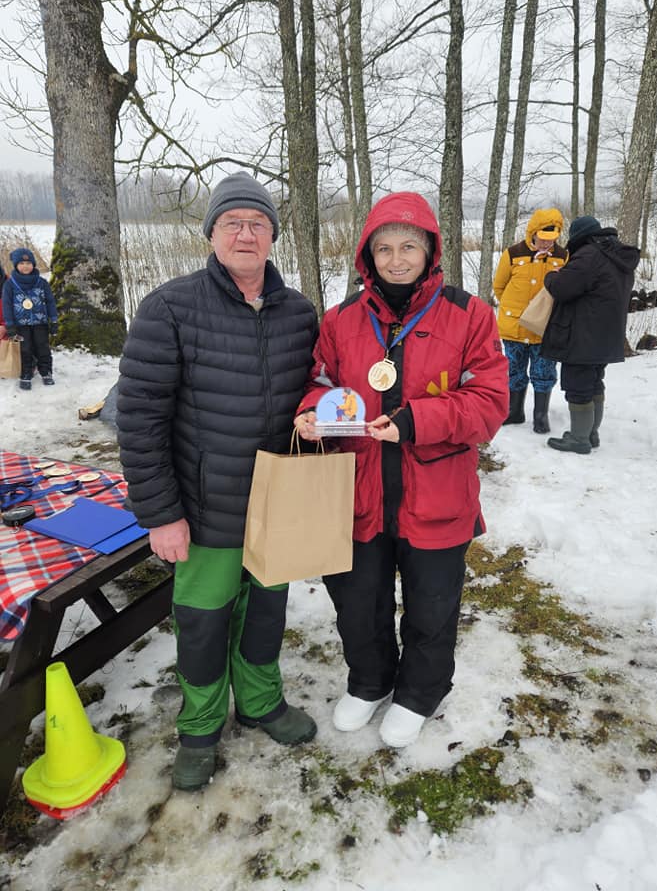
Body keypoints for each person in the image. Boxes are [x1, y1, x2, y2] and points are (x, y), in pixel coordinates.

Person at [116, 171, 319, 791]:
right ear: (210, 235)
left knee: (266, 613)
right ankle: (200, 726)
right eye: (232, 223)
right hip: (205, 509)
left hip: (276, 506)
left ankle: (260, 703)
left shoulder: (299, 312)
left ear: (273, 237)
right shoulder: (171, 307)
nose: (245, 233)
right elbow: (140, 418)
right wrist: (161, 513)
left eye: (258, 223)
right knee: (203, 622)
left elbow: (317, 390)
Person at [294, 192, 508, 748]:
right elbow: (319, 382)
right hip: (358, 494)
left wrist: (417, 420)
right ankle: (369, 681)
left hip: (436, 495)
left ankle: (419, 691)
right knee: (357, 603)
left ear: (430, 250)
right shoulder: (340, 319)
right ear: (367, 254)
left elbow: (490, 403)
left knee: (432, 606)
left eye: (408, 246)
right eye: (384, 247)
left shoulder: (469, 315)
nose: (396, 258)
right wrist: (309, 416)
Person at [542, 214, 639, 454]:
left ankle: (579, 439)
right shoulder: (616, 255)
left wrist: (551, 276)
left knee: (578, 385)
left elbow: (563, 288)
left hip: (583, 334)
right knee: (594, 383)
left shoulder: (589, 255)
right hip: (606, 334)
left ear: (578, 237)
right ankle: (590, 434)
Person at [492, 208, 568, 433]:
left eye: (551, 239)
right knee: (514, 369)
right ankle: (514, 412)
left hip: (544, 328)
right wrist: (514, 309)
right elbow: (499, 286)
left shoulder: (562, 257)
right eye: (543, 239)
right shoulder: (513, 254)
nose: (547, 244)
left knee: (543, 371)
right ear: (533, 233)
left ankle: (540, 416)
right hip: (514, 325)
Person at [1, 248, 58, 389]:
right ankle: (26, 373)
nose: (25, 266)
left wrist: (54, 320)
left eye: (28, 263)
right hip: (20, 325)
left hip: (40, 323)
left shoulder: (42, 282)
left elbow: (50, 301)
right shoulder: (10, 284)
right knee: (25, 348)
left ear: (33, 264)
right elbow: (6, 305)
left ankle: (46, 371)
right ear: (16, 265)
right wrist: (10, 324)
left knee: (42, 347)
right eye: (21, 263)